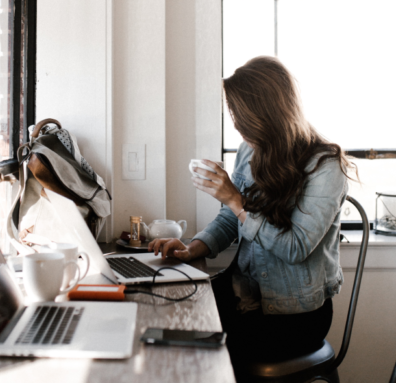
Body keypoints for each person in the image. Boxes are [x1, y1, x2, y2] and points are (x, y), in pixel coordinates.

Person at [148, 56, 357, 374]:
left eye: (240, 115)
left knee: (194, 350)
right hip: (244, 294)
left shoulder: (326, 166)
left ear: (268, 112)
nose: (236, 124)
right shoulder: (251, 150)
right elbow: (231, 219)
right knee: (163, 313)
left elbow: (295, 248)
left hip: (295, 316)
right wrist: (193, 248)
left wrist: (236, 200)